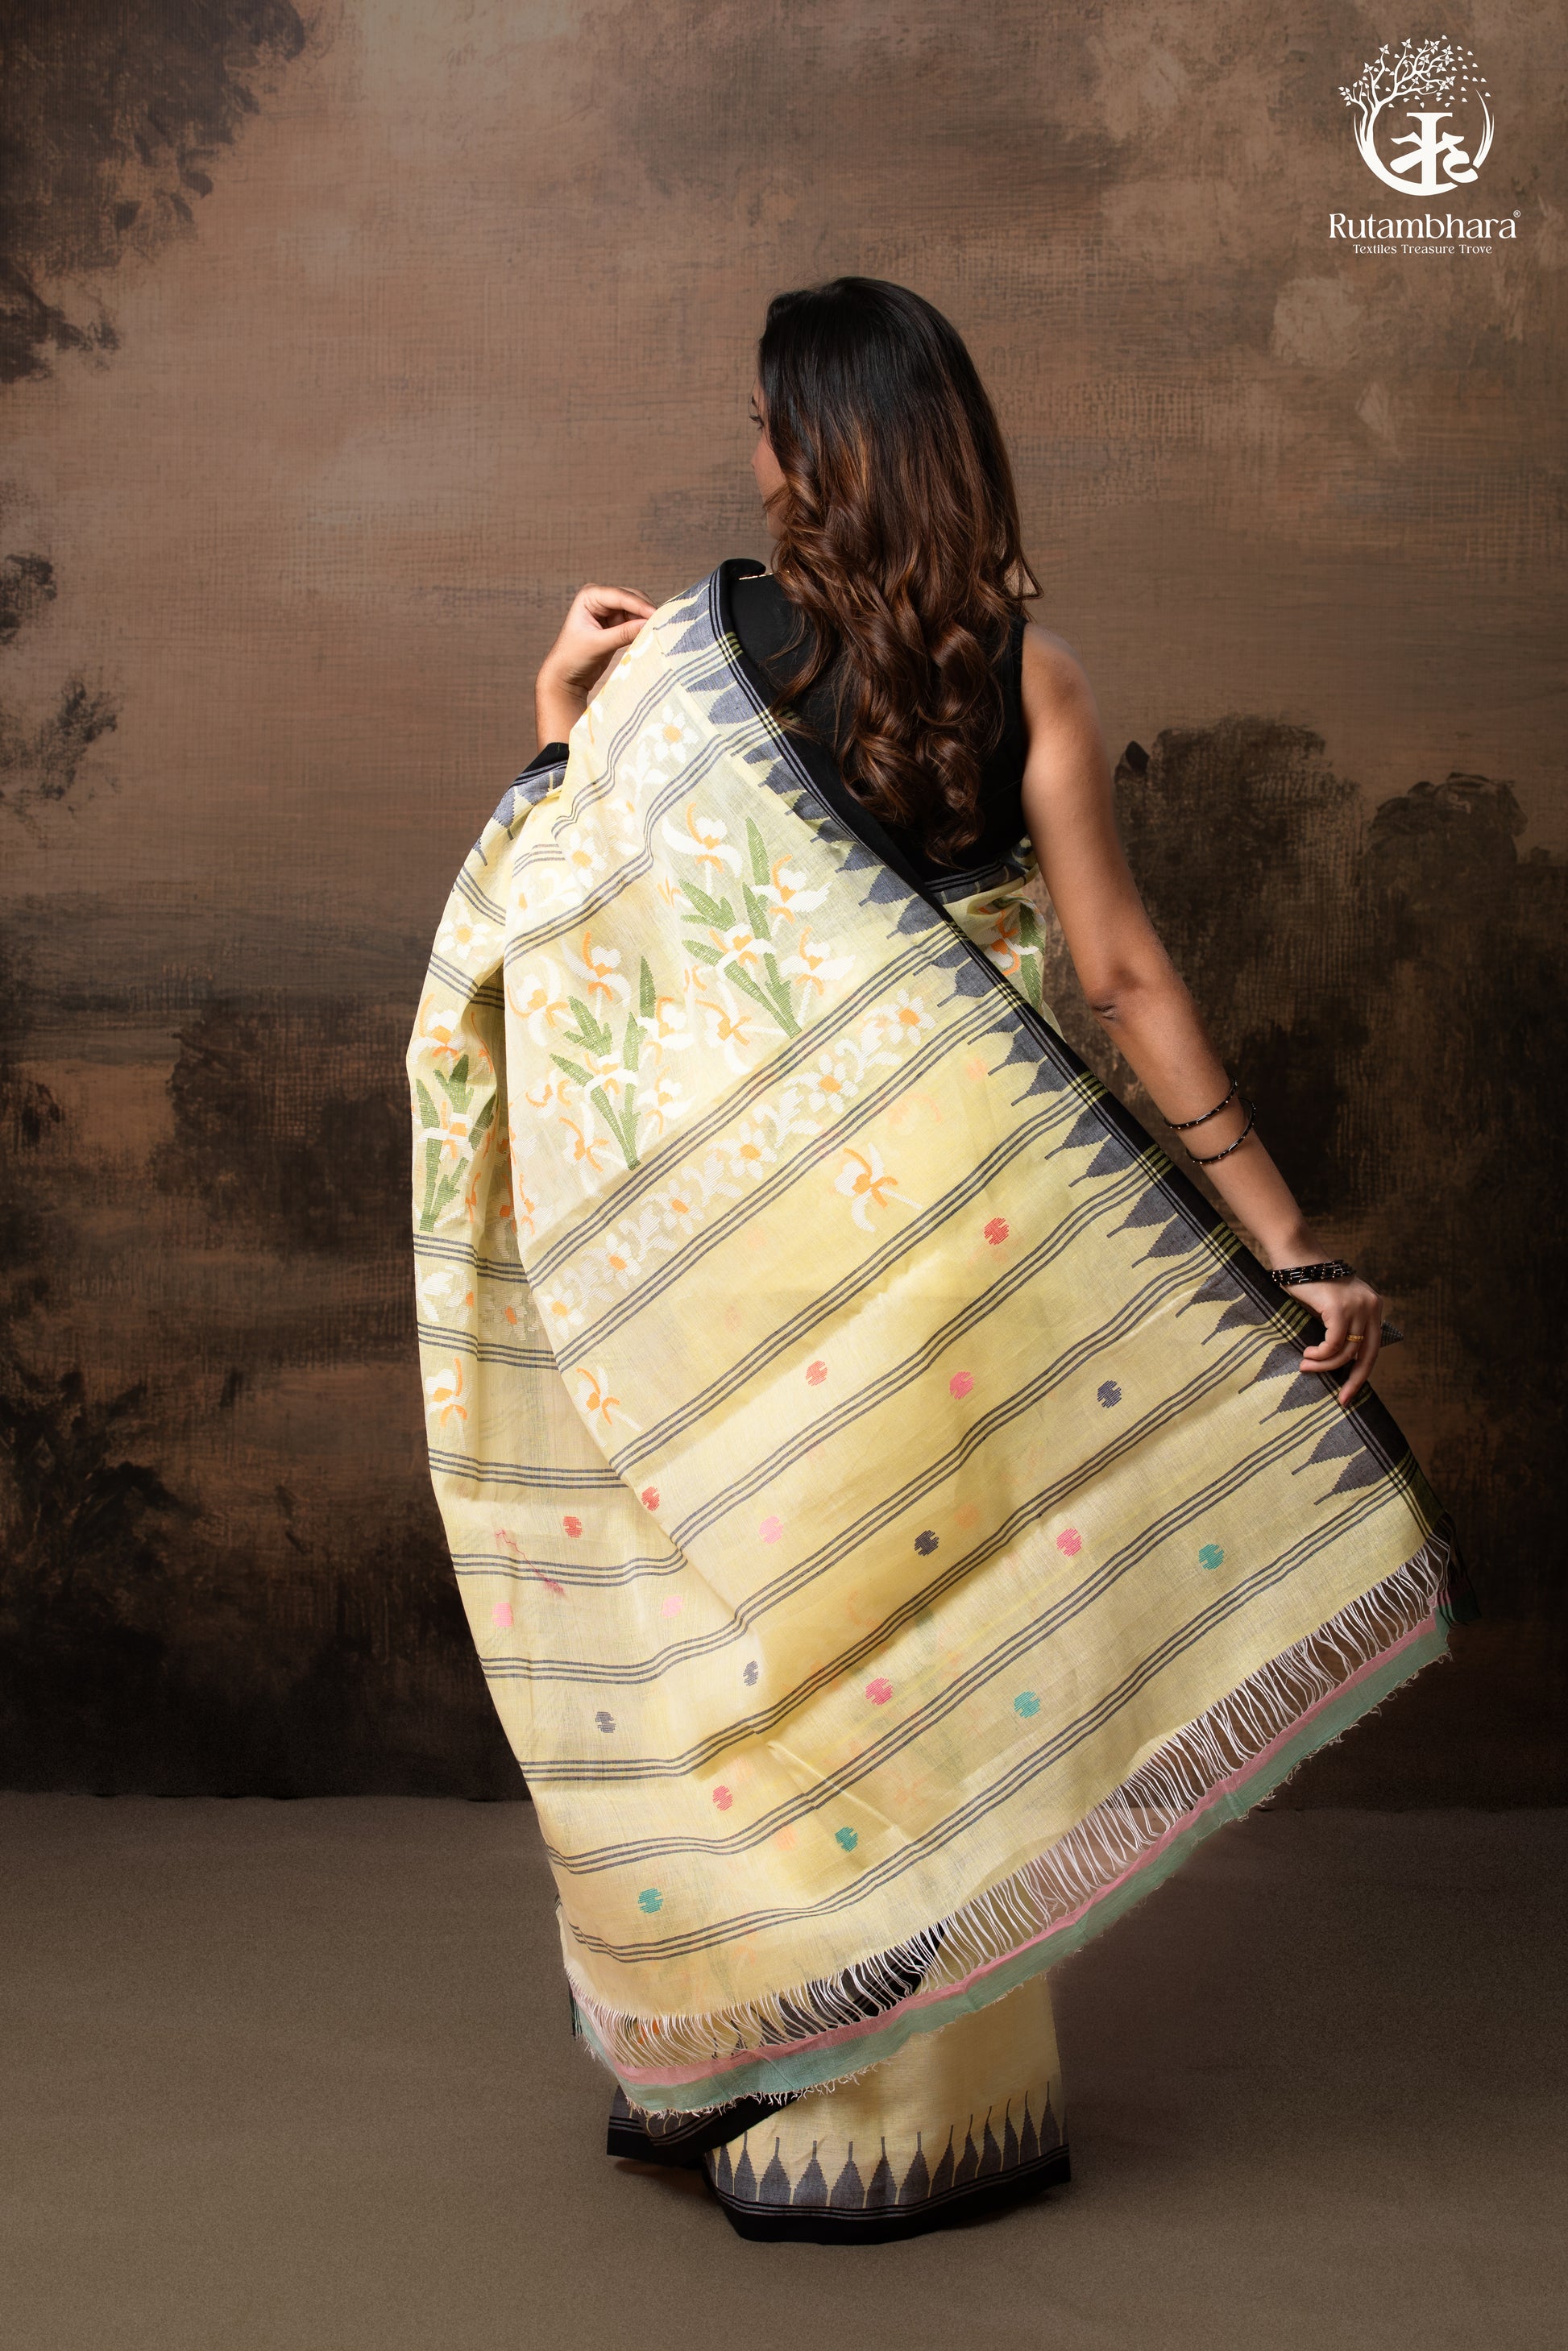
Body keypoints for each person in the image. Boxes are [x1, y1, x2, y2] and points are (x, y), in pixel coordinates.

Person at [408, 279, 1466, 2244]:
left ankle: (753, 2060)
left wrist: (557, 727)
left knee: (766, 1637)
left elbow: (562, 937)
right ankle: (913, 2096)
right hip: (978, 1250)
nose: (742, 456)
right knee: (935, 1653)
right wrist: (1288, 1243)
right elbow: (1123, 979)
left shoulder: (684, 668)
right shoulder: (1029, 678)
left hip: (756, 1269)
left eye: (756, 425)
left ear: (801, 458)